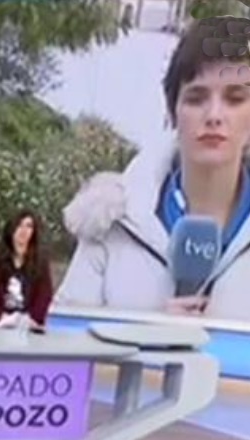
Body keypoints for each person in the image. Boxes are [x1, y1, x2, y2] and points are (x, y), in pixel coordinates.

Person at [59, 17, 250, 319]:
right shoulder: (112, 219)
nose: (214, 115)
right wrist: (148, 332)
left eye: (234, 99)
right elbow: (60, 338)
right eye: (196, 98)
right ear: (173, 112)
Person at [0, 210, 55, 327]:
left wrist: (27, 320)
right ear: (11, 229)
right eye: (19, 225)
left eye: (29, 226)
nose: (24, 230)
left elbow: (44, 296)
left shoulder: (40, 262)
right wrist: (3, 318)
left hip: (28, 325)